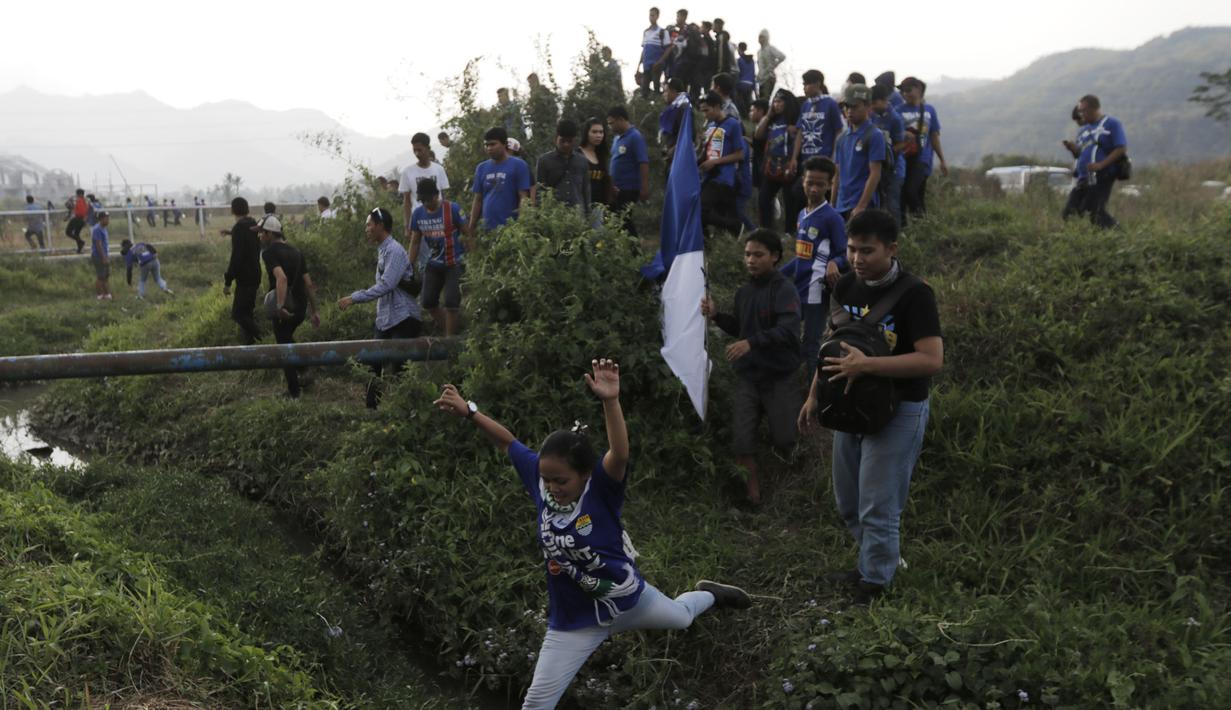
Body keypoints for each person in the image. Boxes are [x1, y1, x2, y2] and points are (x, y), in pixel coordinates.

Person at [433, 358, 752, 708]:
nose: (552, 487)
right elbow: (509, 443)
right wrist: (469, 411)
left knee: (682, 617)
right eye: (547, 479)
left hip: (630, 600)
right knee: (536, 704)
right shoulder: (541, 484)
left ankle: (711, 594)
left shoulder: (601, 490)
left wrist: (610, 401)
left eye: (561, 480)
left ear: (584, 474)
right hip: (573, 623)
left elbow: (620, 453)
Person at [798, 209, 943, 604]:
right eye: (852, 249)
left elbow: (931, 360)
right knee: (849, 500)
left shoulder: (915, 295)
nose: (858, 258)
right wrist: (814, 393)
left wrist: (868, 366)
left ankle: (875, 584)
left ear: (891, 249)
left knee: (879, 505)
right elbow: (833, 345)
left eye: (868, 250)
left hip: (902, 409)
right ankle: (879, 560)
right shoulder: (845, 287)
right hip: (851, 407)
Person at [700, 229, 802, 505]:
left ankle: (793, 485)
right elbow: (741, 329)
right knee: (742, 440)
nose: (751, 260)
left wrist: (752, 343)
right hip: (748, 377)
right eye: (747, 254)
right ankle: (751, 495)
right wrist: (717, 316)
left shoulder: (784, 289)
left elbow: (789, 330)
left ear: (775, 257)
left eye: (758, 254)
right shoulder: (744, 292)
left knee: (785, 438)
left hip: (779, 375)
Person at [337, 207, 422, 409]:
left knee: (401, 367)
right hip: (385, 318)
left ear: (380, 226)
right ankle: (371, 410)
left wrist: (355, 298)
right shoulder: (383, 249)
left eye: (369, 224)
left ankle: (405, 411)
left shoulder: (394, 250)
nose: (366, 228)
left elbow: (386, 285)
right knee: (373, 363)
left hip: (404, 317)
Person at [780, 157, 846, 381]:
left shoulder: (832, 218)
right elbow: (801, 256)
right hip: (797, 288)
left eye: (820, 184)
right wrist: (777, 274)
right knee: (786, 333)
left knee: (811, 343)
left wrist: (835, 262)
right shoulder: (802, 215)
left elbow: (845, 252)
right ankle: (790, 379)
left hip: (817, 292)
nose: (814, 188)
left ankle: (814, 395)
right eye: (810, 183)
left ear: (829, 185)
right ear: (802, 182)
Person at [259, 215, 320, 399]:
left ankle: (294, 392)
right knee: (287, 339)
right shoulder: (297, 252)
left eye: (262, 233)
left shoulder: (269, 253)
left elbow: (282, 278)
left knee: (284, 347)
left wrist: (279, 306)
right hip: (299, 308)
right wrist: (314, 311)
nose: (260, 236)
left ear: (270, 234)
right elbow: (308, 284)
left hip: (283, 307)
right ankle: (304, 369)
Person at [786, 70, 843, 233]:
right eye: (803, 84)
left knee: (815, 194)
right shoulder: (805, 105)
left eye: (807, 84)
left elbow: (838, 131)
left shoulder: (830, 104)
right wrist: (794, 158)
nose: (804, 88)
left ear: (817, 84)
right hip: (806, 159)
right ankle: (802, 227)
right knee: (800, 193)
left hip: (823, 158)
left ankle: (818, 228)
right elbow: (800, 133)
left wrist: (834, 156)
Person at [409, 180, 468, 336]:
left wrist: (473, 260)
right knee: (427, 301)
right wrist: (409, 265)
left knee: (451, 302)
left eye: (429, 199)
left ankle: (450, 342)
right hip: (433, 263)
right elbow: (415, 242)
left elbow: (467, 234)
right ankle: (452, 330)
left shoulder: (452, 209)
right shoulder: (418, 214)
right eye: (423, 200)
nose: (427, 203)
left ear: (436, 195)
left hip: (454, 262)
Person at [1065, 95, 1127, 230]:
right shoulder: (1083, 130)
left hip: (1102, 174)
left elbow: (1121, 148)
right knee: (1069, 212)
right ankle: (1087, 240)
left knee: (1095, 211)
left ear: (1094, 108)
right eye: (1079, 111)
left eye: (1083, 110)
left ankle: (1120, 235)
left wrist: (1101, 164)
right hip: (1083, 177)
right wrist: (1073, 150)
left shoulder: (1112, 123)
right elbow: (1081, 154)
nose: (1081, 114)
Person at [897, 77, 947, 223]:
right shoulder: (898, 111)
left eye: (908, 90)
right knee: (908, 195)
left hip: (923, 158)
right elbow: (893, 134)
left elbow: (934, 136)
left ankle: (924, 223)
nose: (905, 94)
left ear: (918, 89)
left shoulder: (929, 110)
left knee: (911, 191)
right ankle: (914, 228)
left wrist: (942, 160)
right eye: (902, 91)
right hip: (903, 158)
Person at [833, 84, 887, 220]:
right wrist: (832, 205)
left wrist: (861, 206)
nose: (849, 111)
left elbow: (875, 173)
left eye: (855, 106)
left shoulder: (874, 135)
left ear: (868, 107)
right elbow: (837, 175)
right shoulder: (842, 138)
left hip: (863, 206)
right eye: (846, 107)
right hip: (841, 205)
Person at [467, 127, 532, 237]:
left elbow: (524, 198)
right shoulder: (481, 168)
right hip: (487, 230)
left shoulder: (519, 165)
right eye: (486, 145)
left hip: (511, 229)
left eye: (493, 144)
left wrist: (522, 226)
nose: (489, 148)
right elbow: (478, 199)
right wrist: (471, 226)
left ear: (504, 144)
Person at [697, 91, 746, 236]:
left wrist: (715, 162)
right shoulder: (710, 126)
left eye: (707, 110)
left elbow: (740, 154)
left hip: (723, 178)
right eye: (703, 111)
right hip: (708, 177)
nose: (705, 114)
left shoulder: (733, 124)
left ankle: (735, 225)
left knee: (700, 210)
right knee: (703, 214)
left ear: (717, 106)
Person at [754, 89, 799, 229]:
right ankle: (766, 229)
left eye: (780, 101)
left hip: (788, 164)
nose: (776, 105)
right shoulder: (772, 120)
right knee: (764, 198)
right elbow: (758, 135)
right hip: (771, 165)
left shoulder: (795, 120)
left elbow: (799, 138)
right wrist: (768, 116)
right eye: (774, 101)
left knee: (789, 200)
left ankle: (789, 231)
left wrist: (794, 159)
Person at [401, 133, 451, 250]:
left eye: (420, 150)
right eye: (414, 150)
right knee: (424, 258)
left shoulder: (438, 169)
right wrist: (407, 226)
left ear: (428, 148)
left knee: (442, 252)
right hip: (419, 221)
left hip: (439, 220)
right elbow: (407, 202)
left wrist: (448, 219)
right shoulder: (407, 172)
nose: (417, 153)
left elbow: (444, 196)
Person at [222, 197, 262, 345]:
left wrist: (228, 281)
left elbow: (236, 257)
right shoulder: (254, 224)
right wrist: (230, 232)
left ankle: (263, 338)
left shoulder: (239, 228)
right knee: (247, 313)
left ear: (233, 210)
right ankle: (251, 348)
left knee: (238, 314)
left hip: (244, 277)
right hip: (256, 273)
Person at [606, 106, 650, 236]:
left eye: (611, 123)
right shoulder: (616, 138)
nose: (609, 127)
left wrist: (644, 187)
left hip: (629, 188)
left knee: (624, 219)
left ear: (620, 120)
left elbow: (643, 163)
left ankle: (635, 251)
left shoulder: (635, 137)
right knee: (616, 219)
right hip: (616, 189)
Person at [533, 119, 591, 213]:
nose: (566, 144)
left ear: (575, 140)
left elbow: (586, 191)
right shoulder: (544, 161)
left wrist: (588, 216)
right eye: (562, 141)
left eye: (570, 141)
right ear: (556, 138)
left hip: (578, 218)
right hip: (554, 218)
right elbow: (540, 193)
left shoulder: (582, 161)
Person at [870, 84, 908, 225]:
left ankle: (894, 235)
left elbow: (901, 144)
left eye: (875, 103)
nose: (872, 106)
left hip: (894, 169)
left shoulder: (895, 119)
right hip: (878, 168)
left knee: (892, 204)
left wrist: (886, 154)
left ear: (884, 101)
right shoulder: (872, 116)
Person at [579, 118, 611, 223]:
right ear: (586, 133)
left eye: (601, 132)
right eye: (594, 132)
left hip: (598, 207)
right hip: (580, 207)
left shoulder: (601, 154)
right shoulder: (577, 154)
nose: (598, 135)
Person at [638, 7, 671, 98]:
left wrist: (660, 62)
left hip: (656, 65)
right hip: (646, 64)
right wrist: (638, 66)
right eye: (650, 15)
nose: (651, 17)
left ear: (657, 16)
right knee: (644, 89)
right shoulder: (646, 32)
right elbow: (644, 49)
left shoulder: (662, 32)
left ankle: (657, 107)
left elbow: (668, 48)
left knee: (656, 87)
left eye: (653, 15)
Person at [658, 78, 690, 167]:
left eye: (665, 91)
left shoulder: (682, 108)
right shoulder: (672, 109)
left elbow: (688, 135)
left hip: (679, 158)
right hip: (671, 156)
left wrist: (675, 148)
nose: (664, 95)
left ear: (673, 91)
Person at [755, 29, 786, 100]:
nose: (760, 39)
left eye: (762, 37)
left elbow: (782, 56)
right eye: (759, 37)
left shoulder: (770, 48)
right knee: (760, 99)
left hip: (769, 77)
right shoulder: (759, 52)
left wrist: (772, 66)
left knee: (765, 99)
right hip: (761, 79)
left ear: (766, 38)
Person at [90, 211, 113, 300]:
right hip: (98, 256)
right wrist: (103, 257)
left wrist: (106, 256)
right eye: (106, 219)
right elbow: (98, 244)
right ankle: (99, 295)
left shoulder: (104, 228)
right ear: (101, 219)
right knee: (101, 276)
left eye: (108, 218)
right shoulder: (97, 229)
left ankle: (106, 294)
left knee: (106, 276)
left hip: (104, 255)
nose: (108, 220)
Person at [735, 42, 756, 116]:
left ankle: (743, 116)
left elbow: (738, 73)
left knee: (740, 101)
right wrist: (754, 86)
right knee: (748, 101)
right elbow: (753, 73)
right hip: (750, 83)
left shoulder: (739, 60)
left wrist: (736, 84)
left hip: (741, 83)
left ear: (739, 49)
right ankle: (748, 115)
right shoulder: (752, 61)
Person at [66, 188, 87, 253]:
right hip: (83, 220)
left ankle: (81, 242)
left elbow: (67, 204)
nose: (76, 195)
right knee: (76, 234)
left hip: (77, 219)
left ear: (79, 194)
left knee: (68, 232)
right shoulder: (85, 201)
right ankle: (79, 249)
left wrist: (70, 199)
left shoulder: (78, 200)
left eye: (77, 194)